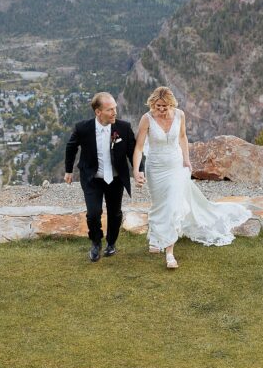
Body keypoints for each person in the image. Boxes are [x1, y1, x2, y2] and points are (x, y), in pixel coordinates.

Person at [132, 86, 252, 269]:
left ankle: (169, 253)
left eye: (165, 106)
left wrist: (187, 159)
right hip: (155, 168)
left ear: (171, 103)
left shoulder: (179, 115)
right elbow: (139, 148)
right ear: (152, 103)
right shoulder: (146, 119)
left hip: (176, 166)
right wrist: (136, 170)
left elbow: (182, 137)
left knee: (172, 205)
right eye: (158, 106)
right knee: (159, 204)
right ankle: (156, 238)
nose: (161, 110)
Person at [64, 92, 140, 262]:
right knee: (93, 213)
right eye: (110, 109)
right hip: (92, 178)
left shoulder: (124, 128)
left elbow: (133, 152)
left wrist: (138, 170)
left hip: (115, 178)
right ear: (98, 112)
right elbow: (71, 147)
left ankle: (111, 243)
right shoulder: (83, 128)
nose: (115, 112)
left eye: (115, 108)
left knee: (115, 213)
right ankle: (96, 242)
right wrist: (68, 170)